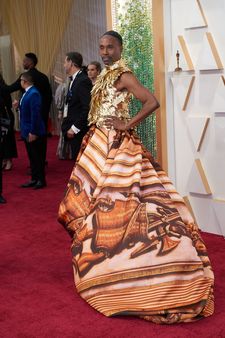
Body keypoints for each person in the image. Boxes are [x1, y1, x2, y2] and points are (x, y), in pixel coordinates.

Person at [58, 31, 214, 324]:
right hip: (97, 143)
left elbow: (151, 101)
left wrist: (126, 124)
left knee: (118, 203)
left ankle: (129, 266)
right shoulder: (104, 75)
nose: (105, 52)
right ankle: (104, 261)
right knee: (86, 202)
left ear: (120, 48)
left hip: (116, 144)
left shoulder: (124, 75)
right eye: (102, 47)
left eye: (110, 47)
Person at [5, 53, 52, 163]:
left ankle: (36, 168)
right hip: (43, 114)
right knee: (42, 141)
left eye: (24, 61)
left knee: (31, 144)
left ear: (30, 62)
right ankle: (41, 162)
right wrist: (44, 112)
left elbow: (9, 89)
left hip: (30, 116)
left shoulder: (25, 77)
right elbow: (49, 97)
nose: (23, 62)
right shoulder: (44, 77)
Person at [61, 52, 92, 160]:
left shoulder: (82, 80)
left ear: (71, 63)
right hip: (73, 128)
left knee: (81, 162)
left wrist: (74, 128)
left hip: (79, 131)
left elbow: (87, 108)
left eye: (65, 62)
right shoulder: (75, 79)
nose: (64, 65)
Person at [19, 71, 46, 189]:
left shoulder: (33, 93)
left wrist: (33, 132)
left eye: (20, 80)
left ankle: (41, 180)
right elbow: (26, 110)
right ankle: (34, 179)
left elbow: (36, 114)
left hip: (33, 131)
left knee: (37, 157)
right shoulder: (27, 93)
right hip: (27, 130)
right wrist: (17, 106)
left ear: (24, 81)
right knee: (32, 156)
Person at [0, 73, 17, 171]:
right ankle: (3, 160)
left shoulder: (3, 88)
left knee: (6, 139)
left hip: (4, 116)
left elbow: (7, 104)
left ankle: (9, 160)